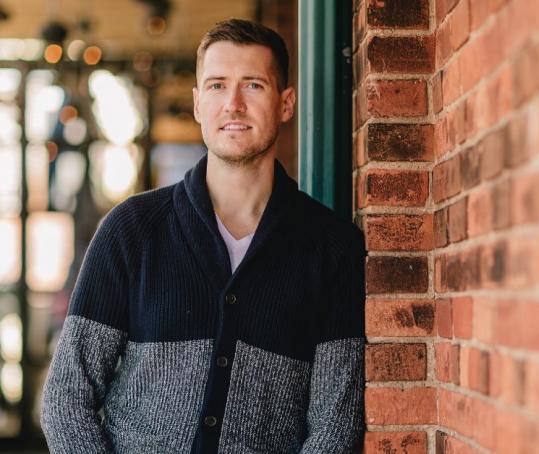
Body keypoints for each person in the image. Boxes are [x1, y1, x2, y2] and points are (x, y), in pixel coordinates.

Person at [41, 19, 366, 453]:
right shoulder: (132, 229)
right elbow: (66, 399)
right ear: (197, 104)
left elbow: (335, 423)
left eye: (253, 85)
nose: (232, 104)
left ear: (286, 103)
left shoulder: (332, 247)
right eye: (216, 86)